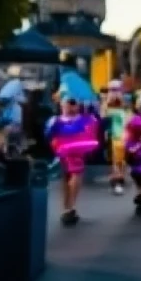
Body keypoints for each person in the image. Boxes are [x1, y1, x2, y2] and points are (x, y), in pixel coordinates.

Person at [46, 94, 99, 225]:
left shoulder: (84, 119)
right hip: (65, 151)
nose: (70, 106)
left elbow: (93, 131)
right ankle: (69, 207)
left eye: (73, 103)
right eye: (67, 103)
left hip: (71, 151)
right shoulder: (57, 120)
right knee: (69, 176)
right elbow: (48, 134)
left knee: (72, 176)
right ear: (61, 104)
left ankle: (68, 207)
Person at [101, 80, 129, 194]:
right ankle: (117, 179)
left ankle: (120, 177)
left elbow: (129, 117)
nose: (114, 93)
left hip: (125, 136)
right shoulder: (108, 104)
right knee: (115, 159)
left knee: (122, 160)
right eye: (112, 90)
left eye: (116, 90)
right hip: (114, 136)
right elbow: (103, 115)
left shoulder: (125, 104)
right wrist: (107, 101)